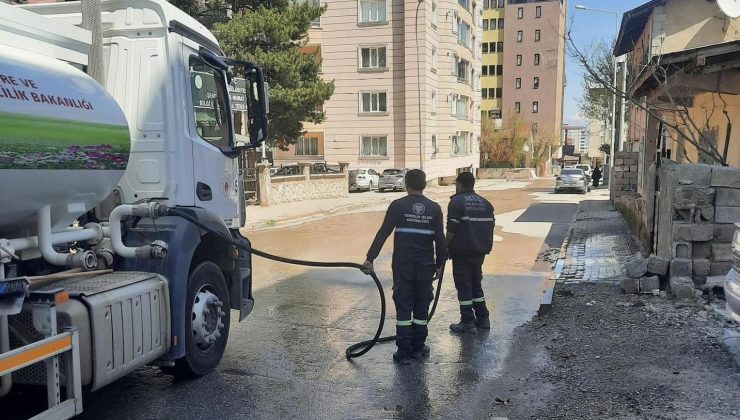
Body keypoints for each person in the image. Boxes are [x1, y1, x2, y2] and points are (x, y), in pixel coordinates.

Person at [363, 169, 447, 364]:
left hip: (403, 266)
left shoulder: (397, 206)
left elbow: (383, 233)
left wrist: (370, 258)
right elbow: (440, 241)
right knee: (421, 306)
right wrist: (440, 264)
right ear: (424, 185)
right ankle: (418, 348)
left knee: (403, 306)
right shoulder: (434, 209)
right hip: (425, 266)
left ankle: (403, 352)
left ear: (406, 184)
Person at [446, 172, 495, 334]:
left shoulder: (457, 202)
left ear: (459, 185)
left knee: (464, 286)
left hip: (462, 251)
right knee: (476, 285)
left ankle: (467, 322)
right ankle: (483, 318)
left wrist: (445, 248)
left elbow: (452, 229)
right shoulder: (486, 203)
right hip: (479, 252)